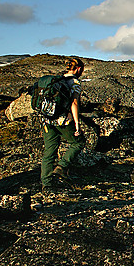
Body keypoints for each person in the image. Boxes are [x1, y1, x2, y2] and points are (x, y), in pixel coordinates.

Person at [41, 57, 86, 189]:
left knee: (50, 151)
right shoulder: (74, 82)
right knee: (78, 142)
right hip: (62, 120)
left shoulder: (56, 80)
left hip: (47, 120)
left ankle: (47, 184)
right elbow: (75, 103)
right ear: (78, 69)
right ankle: (62, 167)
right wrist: (77, 123)